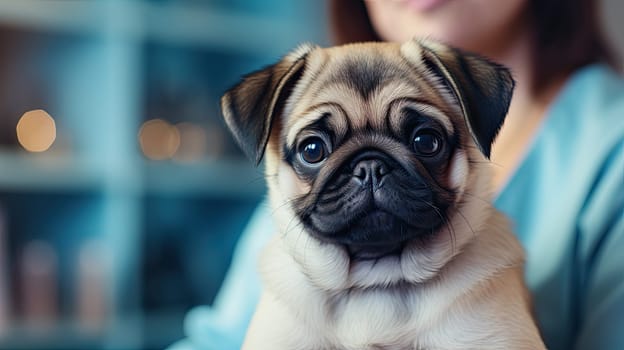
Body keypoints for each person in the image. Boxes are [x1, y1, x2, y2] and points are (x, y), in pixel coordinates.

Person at [170, 1, 624, 349]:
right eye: (314, 150)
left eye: (425, 142)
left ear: (478, 123)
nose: (368, 173)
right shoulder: (279, 240)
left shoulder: (606, 150)